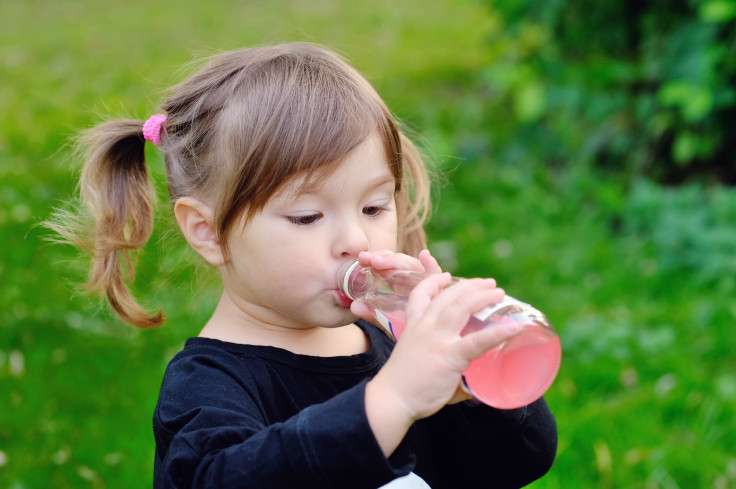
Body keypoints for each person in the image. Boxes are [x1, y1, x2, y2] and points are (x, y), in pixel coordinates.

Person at [53, 43, 557, 488]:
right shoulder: (208, 387)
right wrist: (392, 400)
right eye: (308, 216)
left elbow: (514, 466)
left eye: (375, 207)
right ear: (208, 232)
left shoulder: (392, 346)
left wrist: (473, 384)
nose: (354, 240)